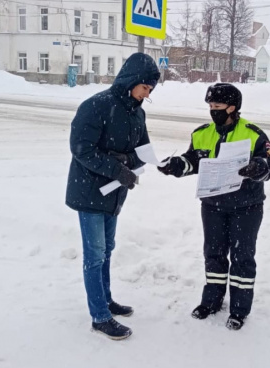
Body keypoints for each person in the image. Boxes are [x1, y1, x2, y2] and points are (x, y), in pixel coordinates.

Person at [158, 83, 270, 331]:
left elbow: (269, 165)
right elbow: (193, 161)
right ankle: (211, 302)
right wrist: (177, 166)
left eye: (218, 106)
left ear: (232, 108)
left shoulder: (254, 134)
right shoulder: (202, 133)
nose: (213, 111)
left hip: (246, 206)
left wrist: (259, 168)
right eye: (210, 106)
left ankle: (239, 310)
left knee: (242, 258)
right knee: (213, 255)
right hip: (212, 205)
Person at [66, 53, 160, 340]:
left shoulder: (137, 112)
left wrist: (135, 162)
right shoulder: (96, 106)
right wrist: (119, 168)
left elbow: (142, 150)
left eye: (150, 91)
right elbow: (82, 149)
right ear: (132, 81)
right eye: (145, 88)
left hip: (115, 193)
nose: (147, 95)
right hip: (90, 190)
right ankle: (99, 316)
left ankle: (106, 299)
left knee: (107, 248)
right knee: (94, 255)